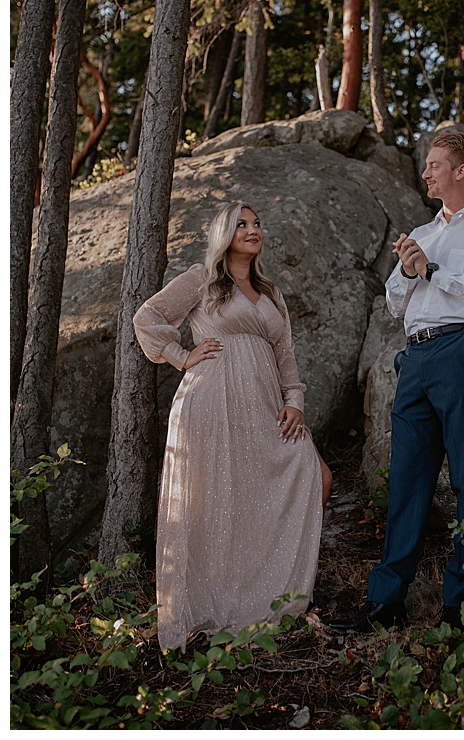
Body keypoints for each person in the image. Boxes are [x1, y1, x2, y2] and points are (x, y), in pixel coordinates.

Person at [331, 130, 464, 633]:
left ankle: (463, 602)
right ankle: (386, 601)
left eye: (436, 164)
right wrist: (412, 269)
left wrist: (431, 270)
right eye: (427, 164)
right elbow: (395, 302)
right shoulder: (422, 231)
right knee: (407, 480)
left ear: (462, 171)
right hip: (415, 357)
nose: (427, 171)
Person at [134, 201, 331, 651]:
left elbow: (286, 355)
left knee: (315, 473)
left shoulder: (271, 291)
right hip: (211, 401)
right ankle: (209, 607)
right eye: (242, 223)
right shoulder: (201, 279)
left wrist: (295, 401)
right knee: (214, 500)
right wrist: (182, 356)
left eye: (257, 223)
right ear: (224, 233)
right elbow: (147, 317)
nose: (253, 229)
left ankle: (270, 598)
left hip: (263, 405)